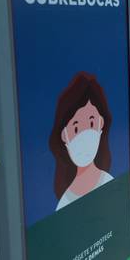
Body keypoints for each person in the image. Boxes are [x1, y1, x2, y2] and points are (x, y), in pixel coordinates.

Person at [49, 72, 114, 211]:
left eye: (91, 122)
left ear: (100, 123)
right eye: (76, 127)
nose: (85, 135)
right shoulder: (64, 205)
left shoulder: (111, 184)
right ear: (64, 135)